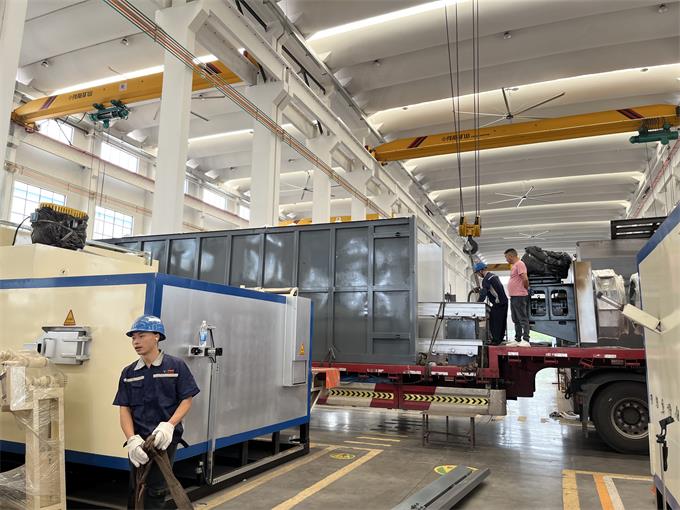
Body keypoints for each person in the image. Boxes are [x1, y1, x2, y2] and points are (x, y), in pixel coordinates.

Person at [113, 315, 200, 509]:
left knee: (156, 490)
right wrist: (131, 439)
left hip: (164, 440)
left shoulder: (175, 366)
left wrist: (169, 426)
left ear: (156, 336)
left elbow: (186, 400)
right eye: (133, 338)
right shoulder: (129, 373)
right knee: (136, 487)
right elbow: (124, 408)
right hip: (139, 440)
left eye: (141, 336)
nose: (136, 342)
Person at [473, 262, 508, 345]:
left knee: (494, 321)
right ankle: (500, 339)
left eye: (477, 273)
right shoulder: (493, 276)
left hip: (498, 303)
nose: (478, 275)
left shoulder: (486, 279)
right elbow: (492, 289)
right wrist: (481, 290)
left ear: (481, 271)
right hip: (504, 302)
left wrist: (478, 303)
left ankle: (495, 340)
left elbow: (484, 294)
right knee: (501, 321)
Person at [504, 248, 531, 347]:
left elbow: (525, 279)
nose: (506, 259)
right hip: (514, 296)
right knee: (515, 319)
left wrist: (525, 289)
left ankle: (526, 339)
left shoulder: (520, 264)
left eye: (506, 257)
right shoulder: (515, 265)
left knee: (522, 318)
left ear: (511, 256)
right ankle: (517, 339)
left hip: (520, 295)